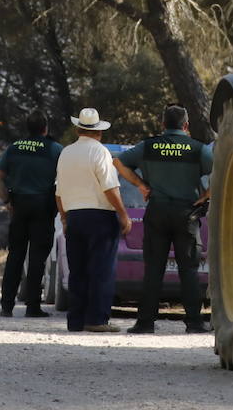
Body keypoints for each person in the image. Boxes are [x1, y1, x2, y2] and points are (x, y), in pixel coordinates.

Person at [113, 104, 212, 335]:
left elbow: (118, 162)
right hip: (186, 213)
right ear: (186, 126)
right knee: (188, 269)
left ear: (162, 124)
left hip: (157, 211)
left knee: (154, 268)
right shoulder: (198, 149)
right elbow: (222, 168)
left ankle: (145, 322)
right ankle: (194, 322)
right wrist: (207, 195)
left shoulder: (148, 146)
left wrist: (140, 185)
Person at [56, 107, 133, 333]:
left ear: (78, 129)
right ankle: (97, 319)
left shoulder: (66, 153)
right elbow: (110, 187)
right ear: (99, 132)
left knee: (77, 270)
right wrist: (123, 214)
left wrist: (64, 218)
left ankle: (76, 320)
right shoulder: (100, 152)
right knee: (101, 270)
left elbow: (58, 193)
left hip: (74, 216)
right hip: (100, 215)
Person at [0, 110, 62, 318]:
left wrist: (7, 201)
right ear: (45, 128)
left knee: (15, 255)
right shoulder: (55, 149)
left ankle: (6, 306)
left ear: (27, 128)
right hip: (43, 207)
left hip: (19, 206)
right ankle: (32, 307)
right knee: (37, 258)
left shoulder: (14, 148)